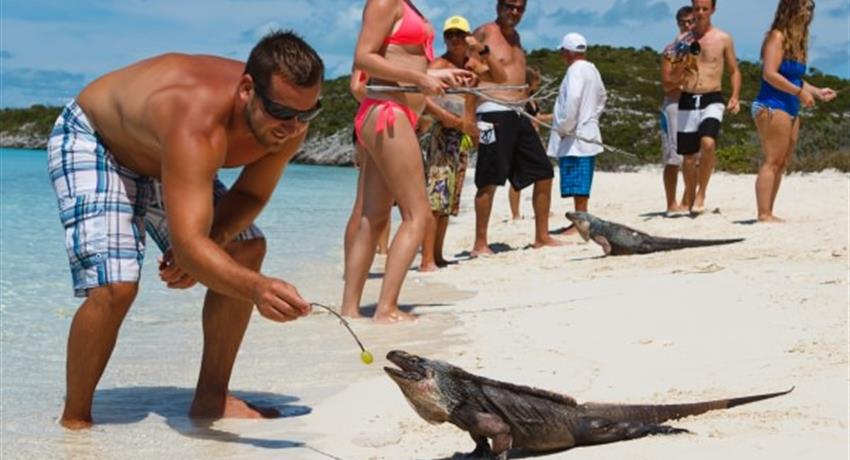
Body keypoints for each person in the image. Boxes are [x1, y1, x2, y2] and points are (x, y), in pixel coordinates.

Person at [45, 31, 322, 429]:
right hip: (96, 141)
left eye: (307, 114)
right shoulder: (197, 118)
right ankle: (74, 425)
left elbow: (251, 193)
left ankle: (211, 400)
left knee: (246, 249)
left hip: (166, 158)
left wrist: (213, 242)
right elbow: (190, 248)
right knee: (116, 285)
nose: (294, 127)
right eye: (282, 112)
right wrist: (255, 288)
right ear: (247, 90)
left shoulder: (289, 121)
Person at [341, 0, 473, 322]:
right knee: (419, 216)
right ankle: (386, 308)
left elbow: (400, 59)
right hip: (389, 113)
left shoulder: (407, 6)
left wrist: (439, 73)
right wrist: (421, 81)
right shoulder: (385, 2)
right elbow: (364, 57)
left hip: (387, 113)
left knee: (373, 217)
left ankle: (350, 309)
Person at [466, 0, 562, 256]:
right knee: (488, 178)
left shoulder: (517, 37)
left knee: (544, 172)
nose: (514, 12)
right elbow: (467, 74)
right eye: (509, 6)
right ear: (498, 6)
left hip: (519, 114)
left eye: (520, 8)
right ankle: (480, 243)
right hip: (490, 113)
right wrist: (471, 122)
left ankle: (542, 236)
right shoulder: (484, 32)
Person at [753, 0, 836, 222]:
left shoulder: (799, 42)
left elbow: (794, 78)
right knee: (772, 159)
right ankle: (763, 213)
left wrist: (817, 91)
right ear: (791, 8)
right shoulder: (777, 36)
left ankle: (769, 211)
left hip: (790, 105)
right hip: (771, 104)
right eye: (805, 6)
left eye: (811, 7)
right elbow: (769, 74)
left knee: (783, 160)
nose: (809, 11)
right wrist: (799, 92)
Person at [420, 15, 480, 272]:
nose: (454, 39)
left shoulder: (472, 66)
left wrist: (472, 131)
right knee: (435, 199)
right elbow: (421, 95)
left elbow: (474, 98)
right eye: (449, 35)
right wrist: (445, 117)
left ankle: (437, 254)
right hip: (443, 133)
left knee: (448, 202)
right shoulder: (438, 65)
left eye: (459, 34)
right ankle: (426, 260)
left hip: (461, 136)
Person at [673, 0, 741, 214]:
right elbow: (674, 72)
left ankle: (702, 193)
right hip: (687, 96)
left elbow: (734, 70)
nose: (701, 13)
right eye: (697, 9)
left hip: (712, 96)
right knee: (689, 156)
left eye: (705, 9)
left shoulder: (723, 38)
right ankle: (691, 194)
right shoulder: (683, 39)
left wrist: (735, 96)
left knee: (708, 143)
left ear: (712, 10)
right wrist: (681, 59)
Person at [546, 33, 607, 226]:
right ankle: (580, 219)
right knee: (581, 179)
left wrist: (565, 127)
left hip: (575, 134)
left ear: (568, 52)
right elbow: (602, 97)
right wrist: (592, 118)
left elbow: (572, 101)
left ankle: (580, 221)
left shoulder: (575, 71)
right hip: (587, 130)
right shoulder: (592, 69)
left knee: (577, 180)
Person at [343, 68, 391, 271]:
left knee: (382, 198)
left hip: (381, 121)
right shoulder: (372, 49)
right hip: (377, 121)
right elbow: (356, 87)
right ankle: (351, 268)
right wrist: (388, 107)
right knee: (363, 202)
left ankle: (378, 253)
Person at [659, 6, 695, 216]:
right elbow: (667, 83)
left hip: (695, 103)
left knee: (695, 155)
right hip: (674, 105)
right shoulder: (670, 50)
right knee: (673, 157)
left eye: (691, 21)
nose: (688, 26)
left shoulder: (703, 46)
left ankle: (688, 199)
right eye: (684, 22)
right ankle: (671, 203)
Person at [507, 66, 549, 221]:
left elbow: (538, 117)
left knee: (540, 175)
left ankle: (539, 210)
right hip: (520, 139)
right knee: (518, 177)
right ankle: (515, 213)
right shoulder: (518, 99)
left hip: (534, 139)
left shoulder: (532, 99)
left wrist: (556, 116)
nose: (538, 85)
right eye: (536, 81)